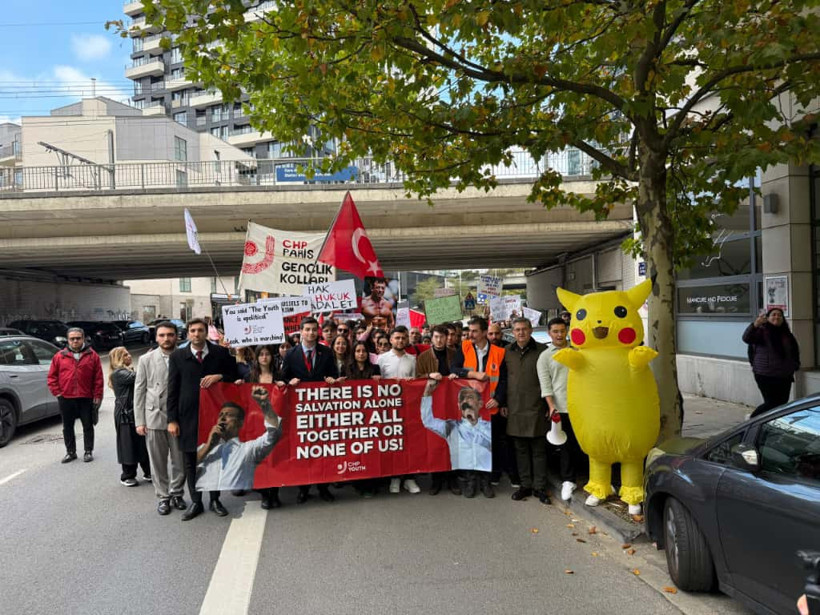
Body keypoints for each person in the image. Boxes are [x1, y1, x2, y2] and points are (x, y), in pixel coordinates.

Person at [168, 317, 239, 521]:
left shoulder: (220, 353)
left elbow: (234, 377)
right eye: (192, 331)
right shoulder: (178, 356)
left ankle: (215, 499)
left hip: (215, 415)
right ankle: (196, 502)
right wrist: (172, 419)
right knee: (191, 461)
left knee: (214, 458)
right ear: (188, 333)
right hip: (187, 417)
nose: (196, 334)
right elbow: (172, 389)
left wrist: (219, 377)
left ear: (206, 332)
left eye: (200, 330)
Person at [452, 315, 513, 497]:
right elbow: (454, 369)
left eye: (474, 331)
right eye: (469, 330)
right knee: (470, 444)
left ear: (484, 333)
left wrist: (499, 399)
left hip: (489, 407)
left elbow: (503, 379)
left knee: (487, 445)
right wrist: (473, 374)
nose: (470, 334)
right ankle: (471, 481)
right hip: (470, 409)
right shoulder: (463, 348)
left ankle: (486, 481)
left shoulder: (499, 352)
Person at [281, 316, 338, 504]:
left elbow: (334, 375)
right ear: (301, 331)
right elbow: (283, 379)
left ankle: (323, 487)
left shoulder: (327, 352)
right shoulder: (290, 354)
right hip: (301, 411)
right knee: (303, 450)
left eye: (314, 329)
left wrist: (331, 380)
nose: (311, 333)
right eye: (307, 330)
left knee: (323, 449)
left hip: (322, 409)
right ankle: (303, 488)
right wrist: (290, 382)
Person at [135, 321, 186, 516]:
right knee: (157, 461)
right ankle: (163, 496)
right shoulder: (146, 360)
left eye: (170, 335)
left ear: (176, 336)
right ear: (156, 337)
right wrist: (140, 420)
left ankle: (177, 492)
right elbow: (139, 391)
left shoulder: (183, 356)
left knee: (179, 460)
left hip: (178, 418)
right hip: (154, 416)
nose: (166, 339)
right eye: (162, 335)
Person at [196, 387, 282, 492]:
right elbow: (188, 468)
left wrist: (265, 405)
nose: (222, 418)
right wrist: (208, 446)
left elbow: (274, 434)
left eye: (229, 415)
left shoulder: (247, 449)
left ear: (240, 423)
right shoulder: (204, 449)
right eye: (221, 415)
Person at [537, 317, 585, 501]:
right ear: (549, 333)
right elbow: (545, 384)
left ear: (567, 331)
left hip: (581, 406)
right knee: (565, 446)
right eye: (555, 331)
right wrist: (551, 407)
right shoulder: (545, 356)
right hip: (560, 407)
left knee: (583, 443)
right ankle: (568, 480)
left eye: (562, 331)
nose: (559, 334)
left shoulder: (578, 351)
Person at [505, 317, 550, 504]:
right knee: (520, 450)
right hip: (514, 408)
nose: (521, 333)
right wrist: (502, 404)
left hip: (537, 407)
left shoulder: (543, 351)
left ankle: (540, 488)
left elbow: (551, 379)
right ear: (513, 332)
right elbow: (501, 380)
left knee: (539, 450)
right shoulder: (507, 352)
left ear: (531, 330)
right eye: (517, 330)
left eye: (524, 329)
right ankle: (525, 485)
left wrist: (549, 405)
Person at [415, 325, 461, 497]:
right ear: (431, 337)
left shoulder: (455, 354)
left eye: (443, 336)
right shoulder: (424, 357)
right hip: (433, 402)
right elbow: (416, 378)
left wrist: (456, 376)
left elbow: (462, 373)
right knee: (435, 442)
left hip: (451, 403)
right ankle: (436, 480)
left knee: (453, 441)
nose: (440, 340)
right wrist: (428, 376)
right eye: (436, 337)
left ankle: (452, 479)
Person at [47, 326, 103, 464]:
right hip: (66, 397)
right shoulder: (59, 356)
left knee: (88, 425)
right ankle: (70, 452)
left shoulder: (92, 355)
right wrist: (58, 393)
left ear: (83, 339)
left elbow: (98, 378)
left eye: (78, 338)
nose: (75, 341)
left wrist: (97, 395)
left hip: (86, 396)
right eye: (72, 339)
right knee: (67, 426)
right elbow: (52, 377)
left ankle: (88, 451)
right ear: (68, 340)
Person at [377, 325, 420, 494]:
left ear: (407, 339)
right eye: (397, 338)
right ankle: (394, 477)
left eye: (403, 338)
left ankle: (409, 478)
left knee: (409, 444)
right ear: (391, 340)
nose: (400, 341)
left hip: (408, 407)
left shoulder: (412, 359)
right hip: (389, 409)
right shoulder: (382, 359)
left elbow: (417, 383)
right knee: (393, 444)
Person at [421, 379, 492, 475]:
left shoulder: (489, 427)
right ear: (459, 405)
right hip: (463, 477)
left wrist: (473, 423)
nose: (465, 401)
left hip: (485, 474)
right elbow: (428, 421)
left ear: (480, 404)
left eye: (470, 397)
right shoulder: (451, 427)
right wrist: (427, 394)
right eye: (461, 399)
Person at [743, 308, 800, 417]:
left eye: (779, 315)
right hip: (765, 374)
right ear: (768, 318)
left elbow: (794, 350)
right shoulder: (761, 331)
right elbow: (747, 338)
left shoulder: (786, 334)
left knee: (782, 402)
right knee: (771, 402)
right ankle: (752, 420)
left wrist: (795, 365)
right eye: (773, 315)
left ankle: (771, 423)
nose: (776, 317)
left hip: (784, 375)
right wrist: (755, 324)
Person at [342, 341, 382, 497]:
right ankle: (358, 483)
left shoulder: (375, 368)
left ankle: (372, 483)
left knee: (371, 449)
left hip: (371, 415)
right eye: (357, 351)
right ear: (353, 353)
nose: (361, 354)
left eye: (363, 351)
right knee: (356, 450)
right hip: (353, 416)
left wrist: (380, 380)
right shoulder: (346, 369)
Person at [245, 344, 282, 509]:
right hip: (256, 422)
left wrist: (286, 384)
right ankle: (265, 495)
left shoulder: (279, 375)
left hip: (274, 422)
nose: (264, 357)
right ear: (257, 357)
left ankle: (274, 493)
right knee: (260, 458)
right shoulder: (250, 376)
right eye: (261, 354)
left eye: (267, 354)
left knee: (275, 458)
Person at [109, 347, 151, 487]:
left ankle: (148, 472)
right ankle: (127, 475)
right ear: (119, 358)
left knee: (142, 443)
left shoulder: (126, 371)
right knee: (128, 445)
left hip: (133, 411)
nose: (129, 356)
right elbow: (139, 377)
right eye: (125, 354)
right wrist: (147, 358)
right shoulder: (118, 373)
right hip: (125, 413)